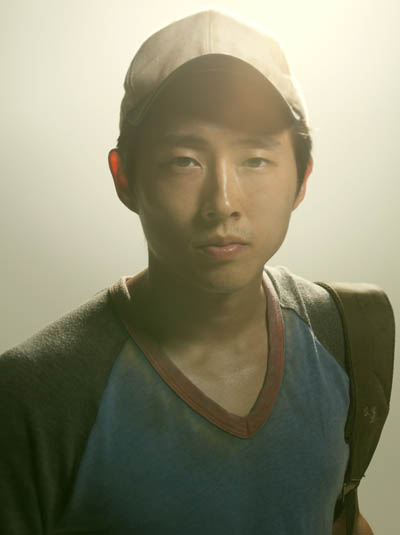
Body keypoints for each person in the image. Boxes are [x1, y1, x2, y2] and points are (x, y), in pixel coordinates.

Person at [0, 9, 376, 534]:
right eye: (184, 160)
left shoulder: (343, 330)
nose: (222, 202)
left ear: (302, 176)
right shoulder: (36, 396)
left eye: (255, 159)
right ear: (125, 178)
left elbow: (341, 518)